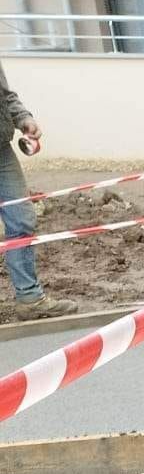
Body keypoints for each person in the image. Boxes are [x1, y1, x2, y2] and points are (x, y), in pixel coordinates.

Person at [0, 62, 45, 309]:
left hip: (1, 150)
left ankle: (30, 298)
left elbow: (5, 94)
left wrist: (23, 118)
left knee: (21, 219)